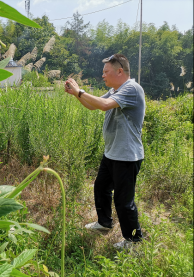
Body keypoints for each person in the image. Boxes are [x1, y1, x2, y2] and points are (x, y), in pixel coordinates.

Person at [64, 54, 145, 250]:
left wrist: (79, 91)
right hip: (112, 153)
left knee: (124, 201)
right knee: (101, 187)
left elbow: (104, 105)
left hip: (127, 155)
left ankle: (134, 241)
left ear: (120, 71)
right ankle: (104, 223)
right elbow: (94, 105)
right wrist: (76, 94)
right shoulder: (115, 90)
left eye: (106, 71)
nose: (103, 75)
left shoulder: (132, 89)